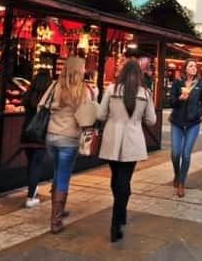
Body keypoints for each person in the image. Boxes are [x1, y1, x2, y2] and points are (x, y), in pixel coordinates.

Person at [97, 59, 157, 243]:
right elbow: (151, 120)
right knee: (125, 180)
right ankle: (118, 220)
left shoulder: (111, 89)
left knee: (116, 180)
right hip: (133, 140)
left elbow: (100, 114)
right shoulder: (145, 93)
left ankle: (119, 216)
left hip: (112, 139)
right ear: (139, 74)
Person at [42, 57, 98, 234]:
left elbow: (40, 106)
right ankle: (55, 220)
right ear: (79, 70)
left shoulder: (54, 86)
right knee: (63, 176)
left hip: (51, 137)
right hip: (69, 138)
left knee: (57, 172)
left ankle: (59, 208)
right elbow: (88, 118)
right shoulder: (83, 90)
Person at [169, 59, 202, 197]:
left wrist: (198, 113)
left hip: (193, 124)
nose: (194, 68)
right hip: (177, 123)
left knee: (186, 154)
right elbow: (171, 102)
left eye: (195, 66)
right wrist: (180, 98)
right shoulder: (177, 83)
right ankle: (177, 173)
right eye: (191, 66)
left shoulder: (201, 84)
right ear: (185, 68)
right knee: (175, 153)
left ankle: (181, 183)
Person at [21, 71, 52, 208]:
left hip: (26, 132)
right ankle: (30, 196)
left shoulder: (28, 95)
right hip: (40, 134)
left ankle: (32, 188)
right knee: (36, 164)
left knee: (31, 163)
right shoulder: (48, 98)